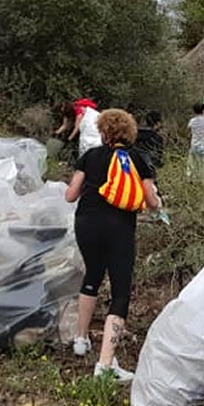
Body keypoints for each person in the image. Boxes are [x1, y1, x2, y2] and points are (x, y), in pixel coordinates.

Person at [65, 109, 162, 384]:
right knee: (120, 292)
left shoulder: (90, 156)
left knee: (92, 274)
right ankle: (105, 365)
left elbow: (70, 195)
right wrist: (158, 205)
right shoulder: (139, 158)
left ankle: (81, 340)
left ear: (103, 131)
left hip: (86, 223)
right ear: (129, 132)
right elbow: (151, 201)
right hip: (119, 227)